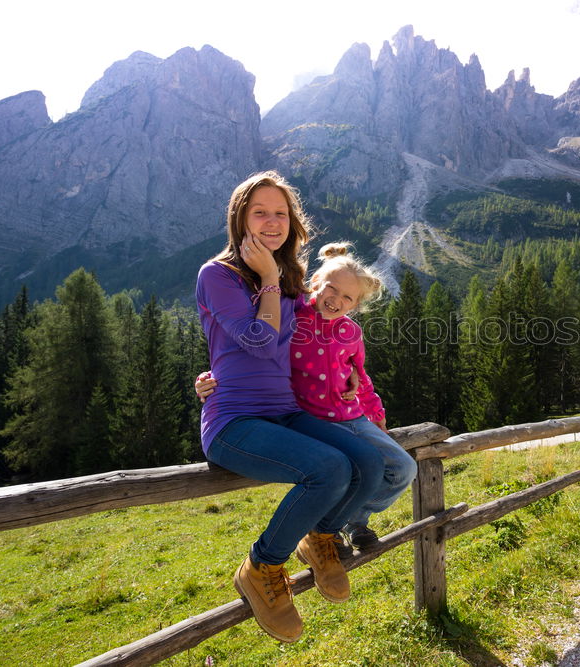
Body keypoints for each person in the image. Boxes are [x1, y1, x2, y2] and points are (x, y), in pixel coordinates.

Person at [196, 171, 385, 643]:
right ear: (239, 218)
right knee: (328, 468)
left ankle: (320, 536)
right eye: (260, 211)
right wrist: (266, 277)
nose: (271, 221)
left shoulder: (291, 282)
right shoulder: (217, 275)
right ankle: (261, 567)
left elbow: (319, 338)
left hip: (285, 409)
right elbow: (259, 342)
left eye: (280, 212)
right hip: (235, 420)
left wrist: (351, 376)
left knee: (366, 460)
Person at [196, 243, 417, 557]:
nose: (336, 300)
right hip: (312, 420)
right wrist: (208, 376)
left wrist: (376, 414)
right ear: (315, 283)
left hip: (353, 417)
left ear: (355, 305)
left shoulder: (351, 332)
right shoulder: (293, 318)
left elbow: (360, 375)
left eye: (347, 298)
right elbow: (253, 357)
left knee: (403, 470)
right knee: (350, 468)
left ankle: (354, 520)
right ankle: (330, 529)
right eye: (331, 289)